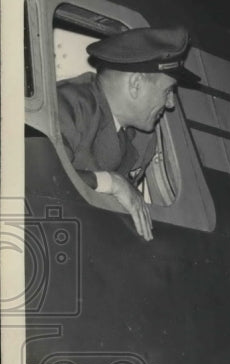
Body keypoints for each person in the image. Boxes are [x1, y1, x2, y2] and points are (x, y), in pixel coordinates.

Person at [57, 25, 198, 241]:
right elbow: (44, 179)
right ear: (135, 84)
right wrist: (112, 183)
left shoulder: (138, 139)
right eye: (168, 91)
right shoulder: (69, 104)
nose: (171, 104)